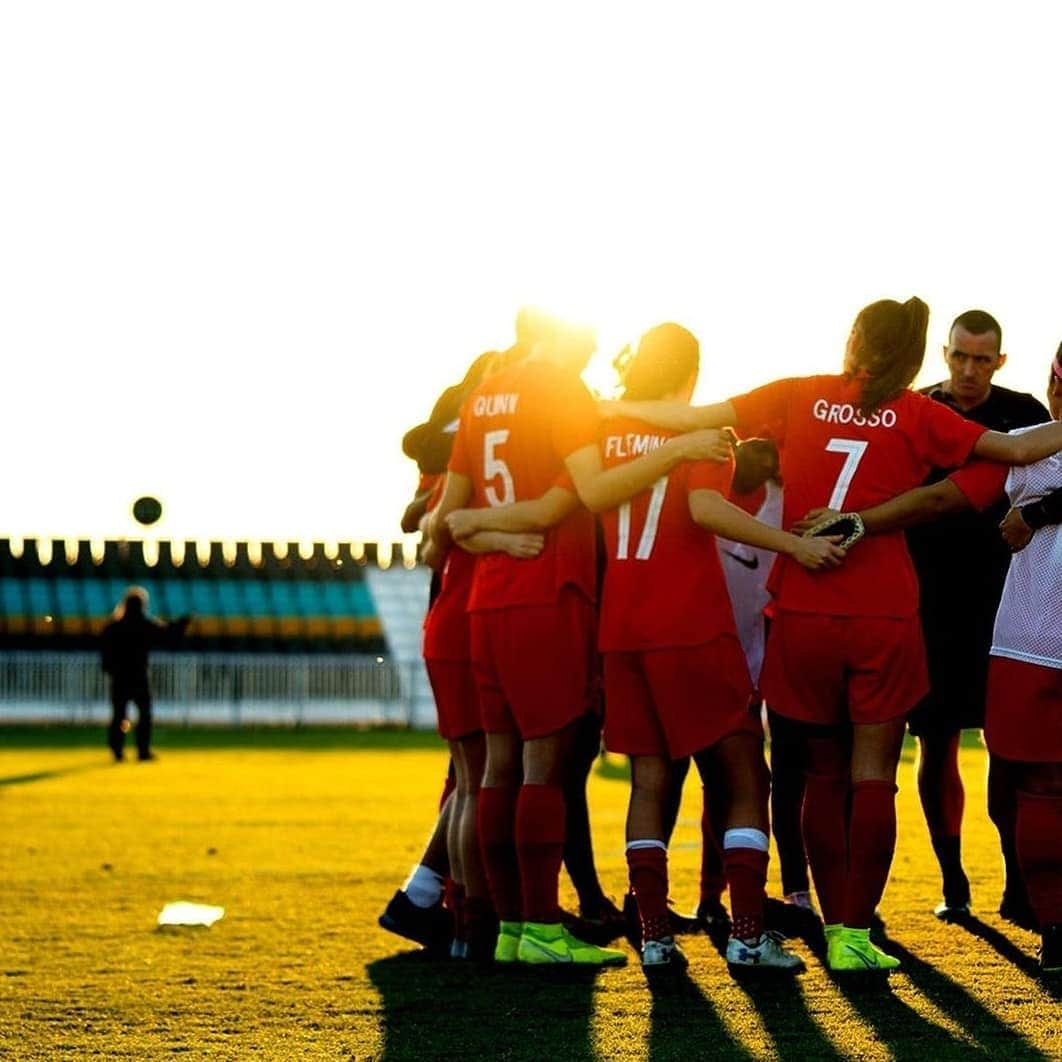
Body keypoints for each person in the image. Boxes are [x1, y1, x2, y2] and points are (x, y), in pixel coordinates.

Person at [607, 297, 1062, 973]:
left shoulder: (799, 394)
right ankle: (853, 936)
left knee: (820, 773)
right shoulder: (918, 412)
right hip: (881, 611)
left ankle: (827, 923)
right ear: (917, 356)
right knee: (874, 774)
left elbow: (691, 417)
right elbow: (1022, 446)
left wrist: (602, 411)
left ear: (853, 340)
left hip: (803, 608)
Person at [429, 313, 731, 967]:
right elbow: (587, 493)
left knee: (492, 771)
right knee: (543, 768)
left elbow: (443, 520)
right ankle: (537, 924)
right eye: (586, 343)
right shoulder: (560, 390)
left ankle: (504, 926)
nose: (593, 353)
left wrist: (479, 527)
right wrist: (678, 449)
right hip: (549, 589)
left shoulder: (485, 393)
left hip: (487, 599)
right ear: (561, 338)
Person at [594, 323, 840, 973]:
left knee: (648, 779)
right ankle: (749, 935)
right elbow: (704, 508)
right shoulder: (696, 435)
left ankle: (652, 935)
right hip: (689, 623)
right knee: (743, 774)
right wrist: (793, 545)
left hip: (622, 625)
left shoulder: (603, 432)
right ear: (690, 377)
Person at [814, 347, 1062, 974]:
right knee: (995, 773)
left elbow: (943, 500)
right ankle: (981, 889)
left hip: (1027, 635)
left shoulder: (1024, 437)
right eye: (961, 355)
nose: (970, 367)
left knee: (1031, 786)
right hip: (985, 627)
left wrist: (1037, 511)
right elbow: (936, 501)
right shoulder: (1007, 437)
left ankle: (1052, 920)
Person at [905, 310, 1050, 923]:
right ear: (945, 353)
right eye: (959, 357)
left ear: (1000, 362)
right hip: (927, 604)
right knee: (935, 747)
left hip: (1005, 602)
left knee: (1008, 749)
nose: (968, 370)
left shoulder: (1025, 414)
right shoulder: (913, 409)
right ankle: (954, 882)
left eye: (981, 360)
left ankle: (1017, 884)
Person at [715, 439, 816, 918]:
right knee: (721, 777)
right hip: (709, 651)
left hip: (772, 639)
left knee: (782, 772)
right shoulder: (702, 494)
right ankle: (710, 897)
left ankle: (797, 889)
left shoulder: (785, 497)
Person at [100, 587, 189, 762]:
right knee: (145, 715)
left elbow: (105, 651)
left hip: (119, 677)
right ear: (142, 605)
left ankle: (117, 751)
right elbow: (167, 634)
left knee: (119, 715)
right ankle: (143, 751)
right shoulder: (144, 624)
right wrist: (181, 624)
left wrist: (109, 669)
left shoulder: (113, 627)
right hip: (139, 676)